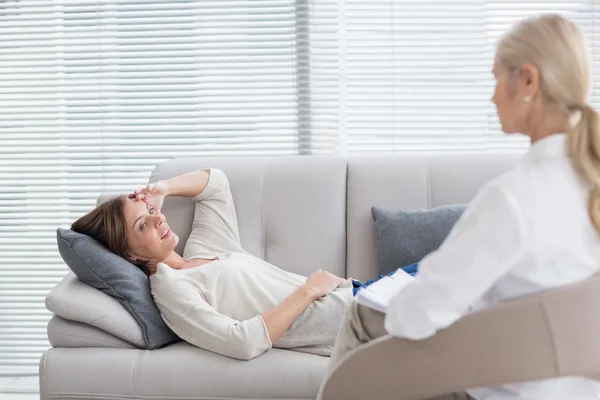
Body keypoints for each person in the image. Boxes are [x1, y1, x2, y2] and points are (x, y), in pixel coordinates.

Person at [320, 14, 600, 400]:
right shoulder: (589, 185)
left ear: (529, 81)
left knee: (361, 314)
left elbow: (419, 314)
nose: (492, 96)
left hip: (496, 389)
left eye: (497, 77)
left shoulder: (513, 197)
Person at [71, 167, 355, 360]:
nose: (159, 218)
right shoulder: (171, 290)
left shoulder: (206, 247)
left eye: (151, 211)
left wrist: (163, 190)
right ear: (131, 255)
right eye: (143, 224)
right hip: (350, 319)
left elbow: (216, 183)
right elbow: (241, 342)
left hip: (357, 292)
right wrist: (308, 291)